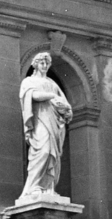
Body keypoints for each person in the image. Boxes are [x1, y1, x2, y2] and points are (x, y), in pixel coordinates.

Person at [17, 51, 73, 202]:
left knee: (51, 154)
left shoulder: (52, 84)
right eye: (42, 63)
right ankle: (33, 186)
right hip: (40, 120)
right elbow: (33, 96)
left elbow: (64, 102)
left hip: (53, 122)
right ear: (35, 64)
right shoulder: (29, 81)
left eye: (47, 63)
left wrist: (67, 110)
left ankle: (47, 187)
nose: (45, 66)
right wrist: (52, 96)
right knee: (43, 151)